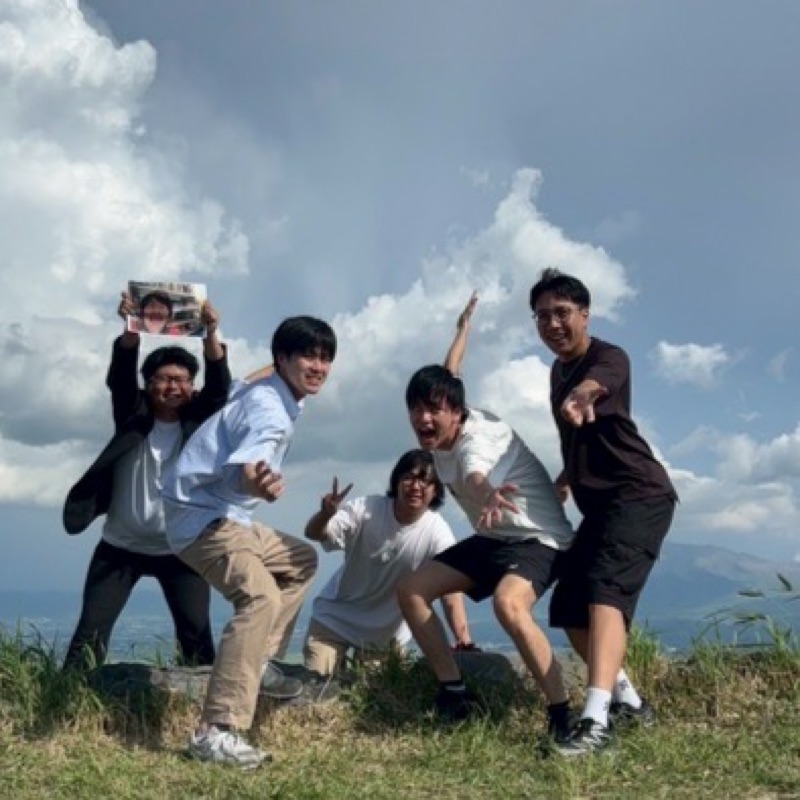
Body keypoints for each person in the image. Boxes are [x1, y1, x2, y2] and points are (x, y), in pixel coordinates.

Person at [397, 293, 576, 742]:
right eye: (416, 408)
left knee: (508, 605)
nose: (423, 418)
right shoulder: (445, 421)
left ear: (456, 412)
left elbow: (475, 474)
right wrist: (463, 330)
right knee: (413, 591)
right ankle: (454, 691)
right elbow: (450, 372)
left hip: (540, 540)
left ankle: (563, 716)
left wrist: (487, 491)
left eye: (433, 409)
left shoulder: (477, 438)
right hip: (495, 538)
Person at [162, 315, 336, 769]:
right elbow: (248, 466)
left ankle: (257, 663)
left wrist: (277, 362)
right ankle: (216, 730)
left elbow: (251, 375)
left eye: (325, 357)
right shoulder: (270, 412)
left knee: (300, 559)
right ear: (283, 359)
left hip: (226, 516)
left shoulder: (266, 388)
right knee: (259, 597)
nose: (319, 366)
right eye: (308, 356)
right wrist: (260, 485)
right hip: (204, 521)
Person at [529, 268, 678, 756]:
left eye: (562, 313)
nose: (552, 323)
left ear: (585, 315)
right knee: (570, 608)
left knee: (605, 593)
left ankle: (595, 724)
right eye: (543, 316)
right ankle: (630, 704)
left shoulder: (608, 358)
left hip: (639, 494)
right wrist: (567, 475)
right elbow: (577, 434)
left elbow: (596, 387)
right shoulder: (555, 372)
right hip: (600, 508)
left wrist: (583, 394)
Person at [62, 291, 230, 670]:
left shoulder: (197, 422)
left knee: (196, 636)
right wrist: (130, 330)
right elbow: (120, 376)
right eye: (165, 379)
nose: (174, 387)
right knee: (90, 632)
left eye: (183, 380)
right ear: (148, 382)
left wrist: (211, 333)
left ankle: (198, 707)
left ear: (192, 386)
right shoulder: (132, 413)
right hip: (120, 546)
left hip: (181, 548)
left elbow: (220, 389)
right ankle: (69, 700)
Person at [303, 449, 476, 677]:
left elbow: (450, 592)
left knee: (379, 700)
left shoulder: (437, 532)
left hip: (386, 635)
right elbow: (315, 533)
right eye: (409, 478)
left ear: (436, 491)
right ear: (396, 481)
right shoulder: (366, 509)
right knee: (316, 688)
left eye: (426, 481)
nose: (416, 486)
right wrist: (325, 514)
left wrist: (463, 640)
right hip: (335, 621)